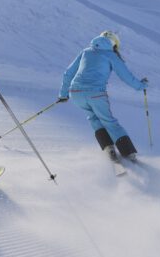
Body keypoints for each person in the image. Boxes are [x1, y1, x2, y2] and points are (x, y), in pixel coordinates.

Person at [58, 31, 148, 162]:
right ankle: (129, 153)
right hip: (95, 94)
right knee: (108, 121)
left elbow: (68, 73)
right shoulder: (111, 55)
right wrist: (141, 86)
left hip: (76, 93)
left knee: (94, 118)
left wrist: (63, 94)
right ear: (114, 44)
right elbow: (125, 76)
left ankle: (109, 148)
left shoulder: (86, 52)